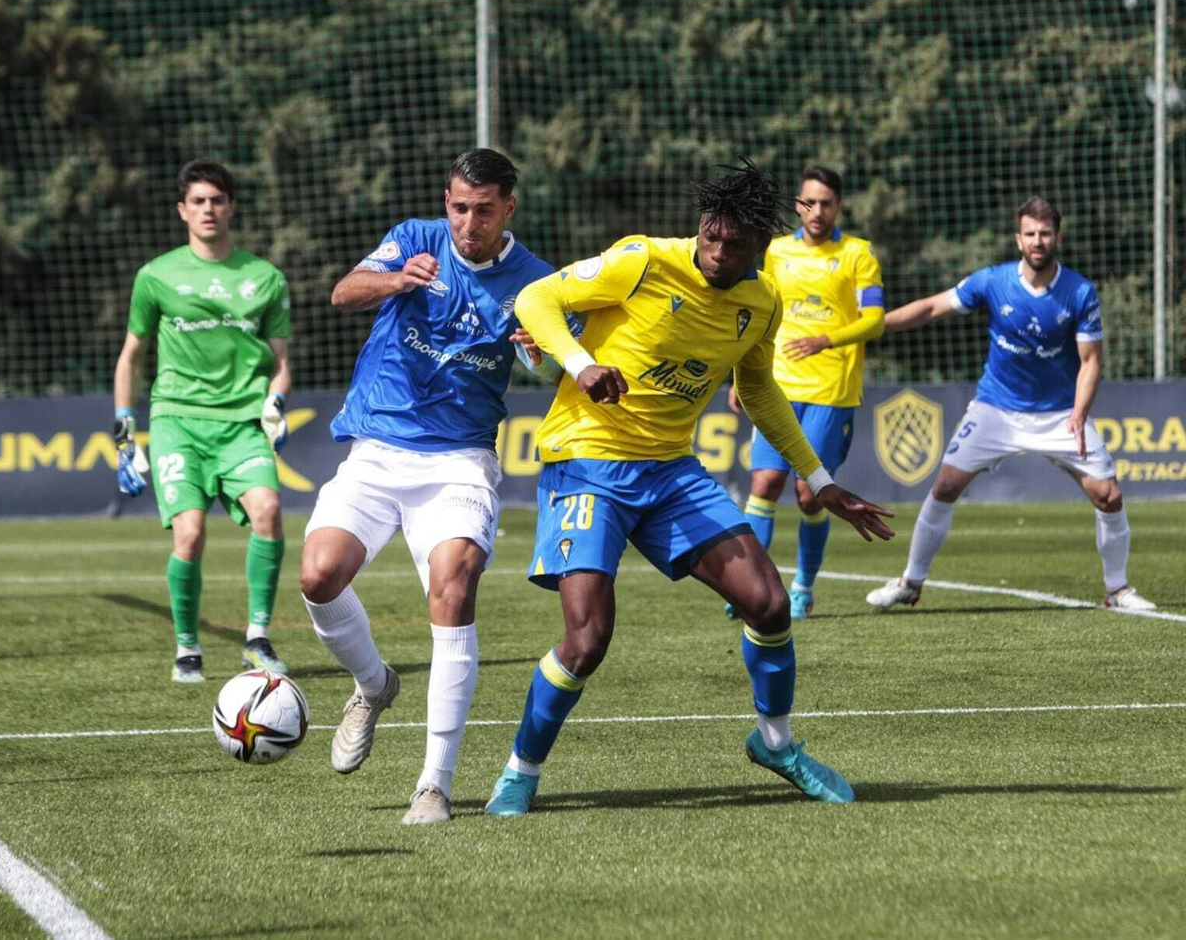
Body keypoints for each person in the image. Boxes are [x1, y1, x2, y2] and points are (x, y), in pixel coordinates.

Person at [484, 159, 896, 818]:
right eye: (711, 236)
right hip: (587, 461)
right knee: (587, 640)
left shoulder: (761, 302)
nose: (717, 252)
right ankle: (520, 772)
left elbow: (759, 389)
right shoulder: (643, 261)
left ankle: (776, 744)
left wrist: (818, 478)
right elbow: (536, 300)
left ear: (761, 247)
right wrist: (583, 364)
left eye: (734, 244)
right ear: (699, 227)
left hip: (671, 471)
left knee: (768, 603)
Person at [299, 148, 557, 826]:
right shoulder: (415, 239)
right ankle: (374, 684)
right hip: (377, 449)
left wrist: (540, 353)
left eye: (483, 210)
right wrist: (394, 282)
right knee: (318, 576)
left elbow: (556, 368)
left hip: (459, 460)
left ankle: (433, 786)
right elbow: (342, 291)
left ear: (509, 209)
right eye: (458, 208)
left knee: (455, 582)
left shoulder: (536, 281)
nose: (467, 223)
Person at [865, 196, 1155, 613]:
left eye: (1046, 233)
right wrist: (873, 326)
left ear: (1058, 237)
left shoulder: (1079, 291)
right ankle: (910, 582)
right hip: (995, 410)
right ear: (1018, 239)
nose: (1038, 241)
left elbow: (1091, 361)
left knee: (1108, 496)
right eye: (1031, 234)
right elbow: (931, 307)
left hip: (1059, 414)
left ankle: (1118, 590)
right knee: (945, 487)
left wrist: (1078, 413)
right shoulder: (992, 281)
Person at [112, 159, 295, 684]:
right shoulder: (156, 276)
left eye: (217, 200)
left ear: (231, 206)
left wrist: (275, 406)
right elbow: (130, 356)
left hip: (241, 424)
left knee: (270, 509)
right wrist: (125, 438)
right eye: (198, 201)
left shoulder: (265, 278)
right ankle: (187, 647)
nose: (208, 209)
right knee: (189, 534)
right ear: (182, 211)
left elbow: (281, 363)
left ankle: (257, 639)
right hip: (178, 422)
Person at [724, 167, 885, 620]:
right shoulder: (776, 250)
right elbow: (756, 312)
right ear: (798, 204)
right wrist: (741, 374)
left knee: (810, 493)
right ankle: (750, 588)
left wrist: (826, 340)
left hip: (831, 390)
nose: (817, 211)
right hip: (776, 384)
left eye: (826, 203)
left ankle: (803, 587)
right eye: (809, 202)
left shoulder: (858, 254)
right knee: (764, 483)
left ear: (839, 207)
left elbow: (875, 319)